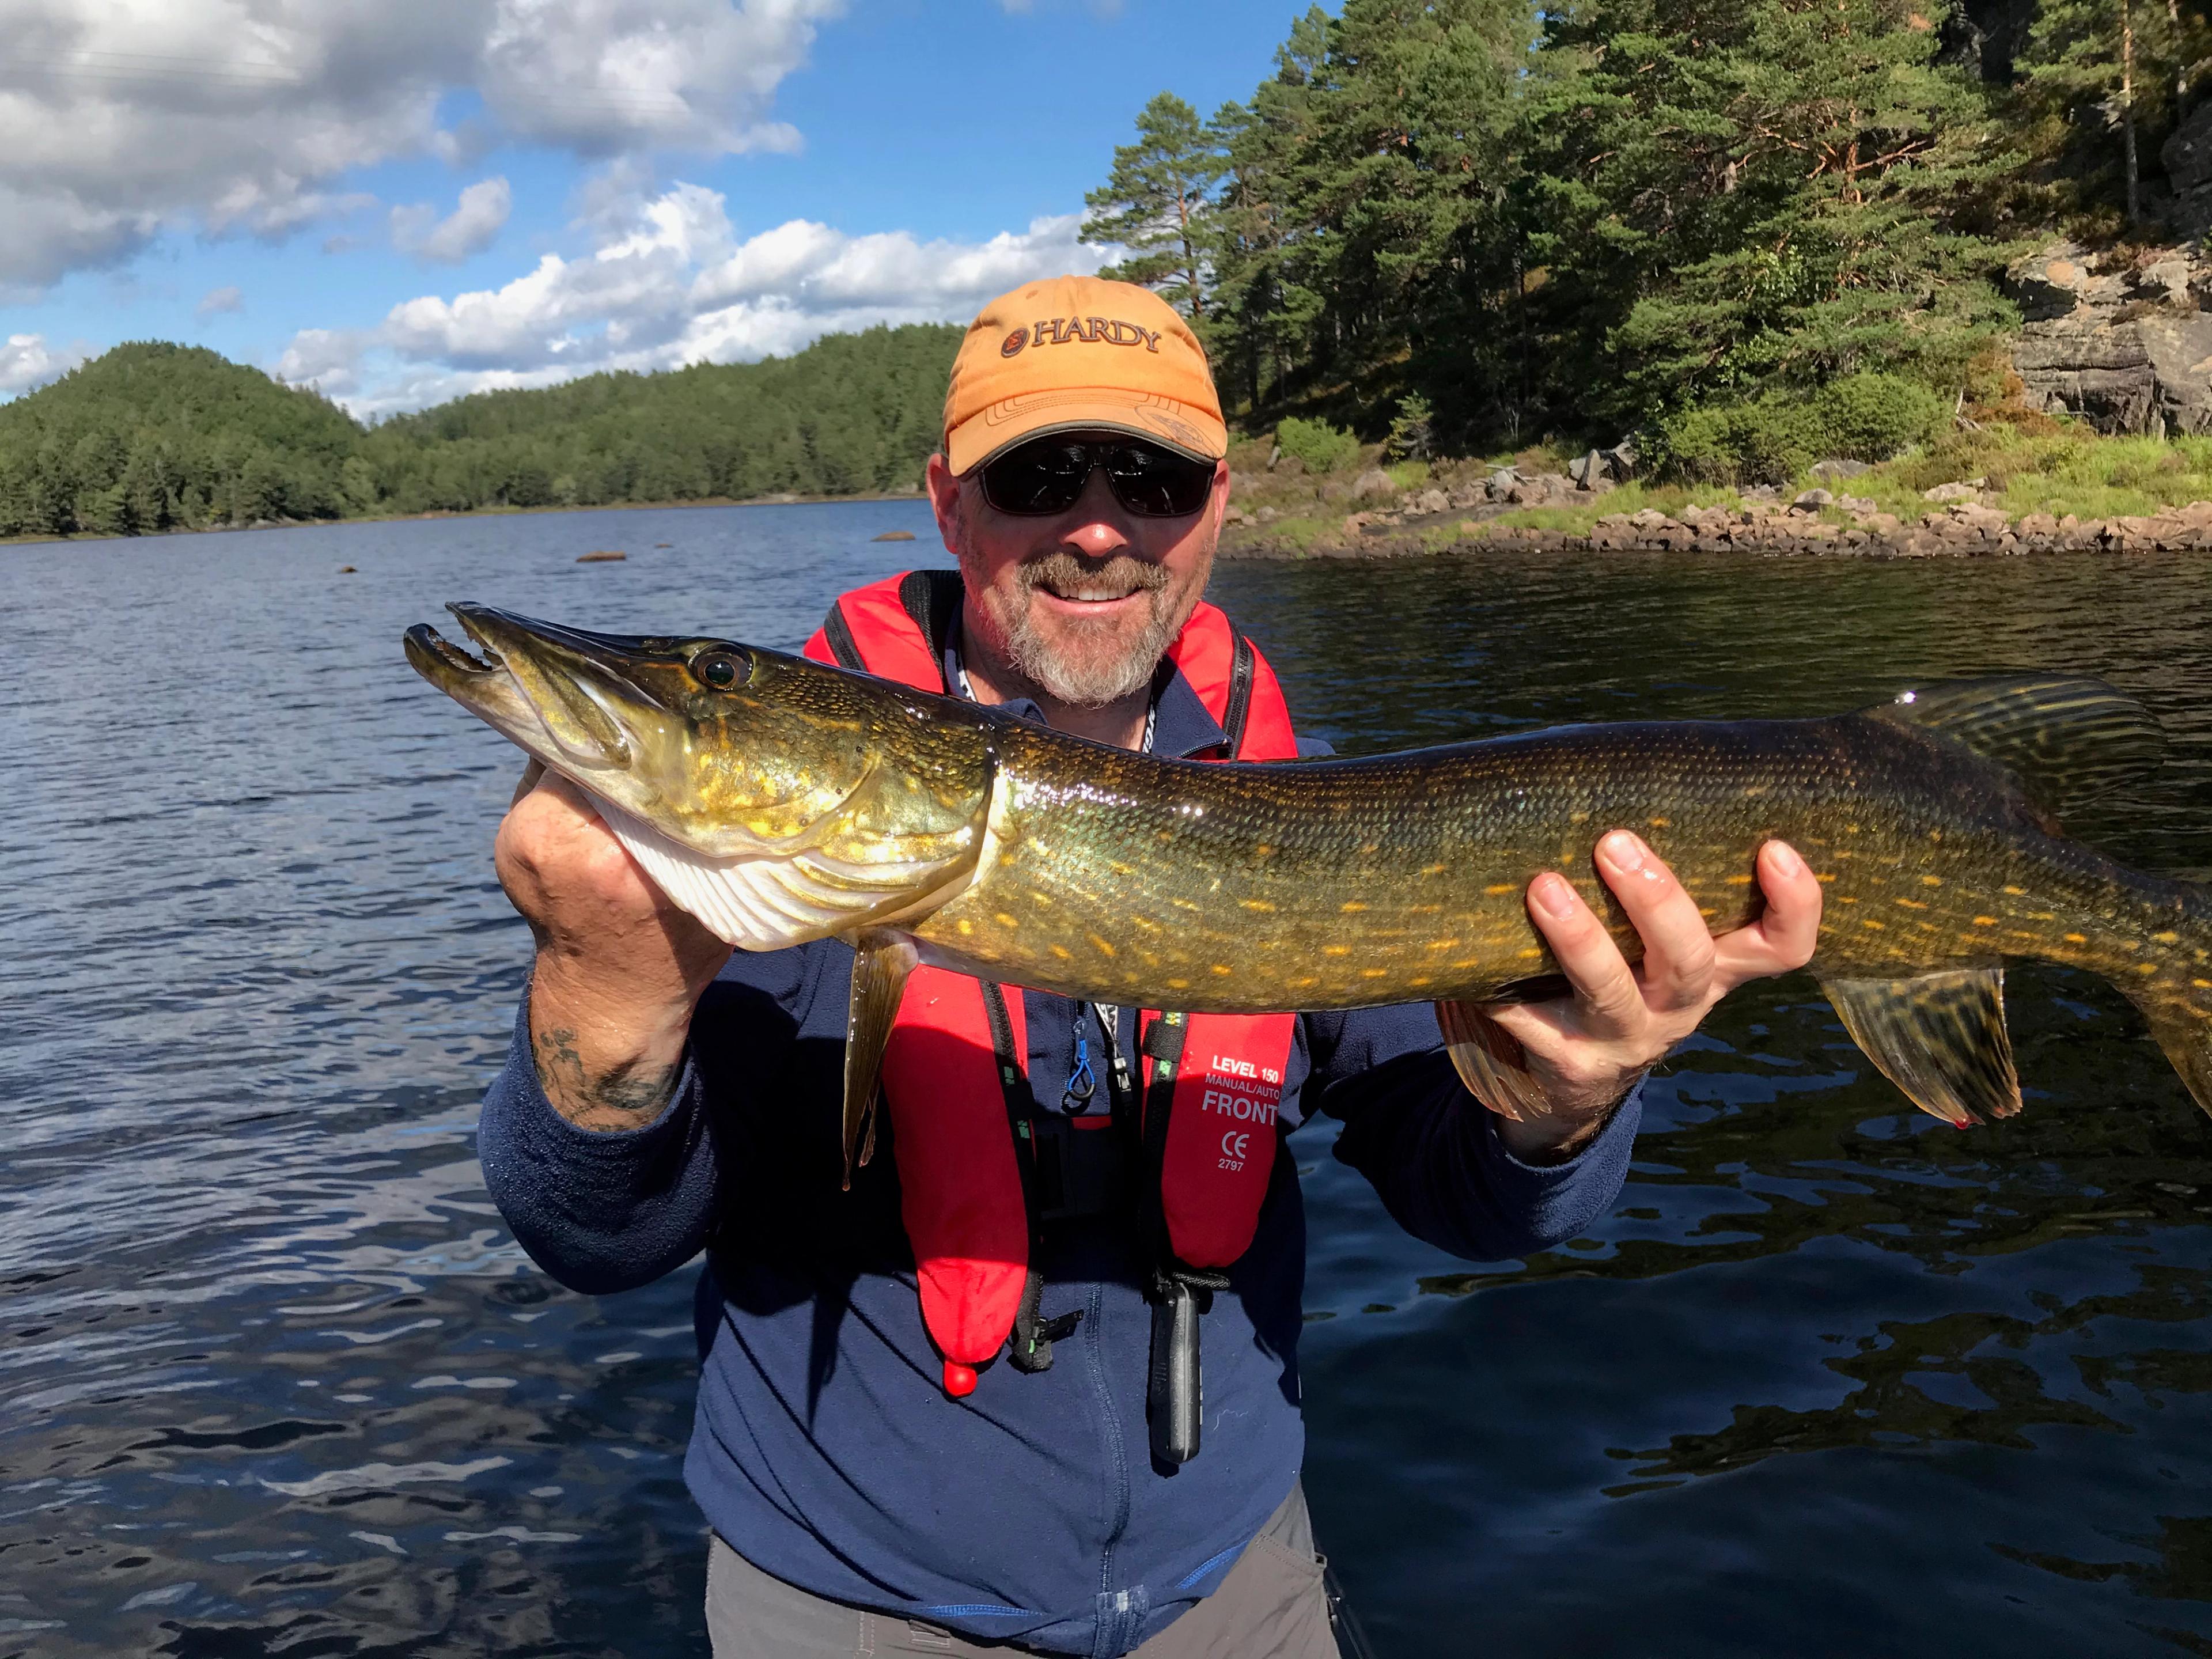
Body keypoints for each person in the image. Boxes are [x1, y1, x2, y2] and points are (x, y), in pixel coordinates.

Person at [478, 275, 1824, 1657]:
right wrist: (605, 992)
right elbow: (597, 1239)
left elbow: (1478, 1206)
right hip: (856, 1600)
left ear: (1219, 504)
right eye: (1041, 474)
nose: (1101, 525)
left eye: (1155, 476)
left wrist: (1567, 1106)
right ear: (948, 504)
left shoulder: (1291, 786)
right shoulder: (782, 885)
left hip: (1231, 1585)